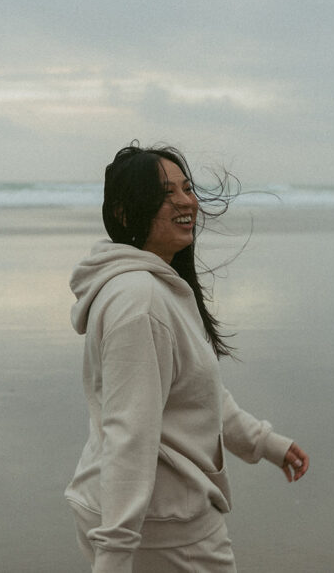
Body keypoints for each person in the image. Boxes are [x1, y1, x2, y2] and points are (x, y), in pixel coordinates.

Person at [66, 142, 308, 573]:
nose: (185, 201)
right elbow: (130, 431)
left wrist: (263, 443)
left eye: (187, 187)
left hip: (143, 517)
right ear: (125, 213)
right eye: (165, 193)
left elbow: (196, 392)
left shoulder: (157, 287)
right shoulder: (140, 300)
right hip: (161, 528)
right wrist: (115, 554)